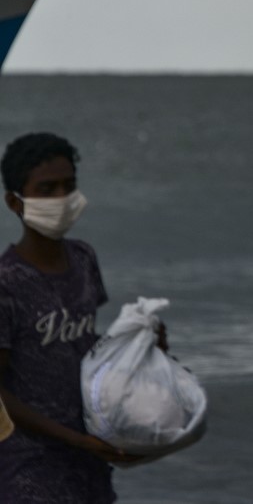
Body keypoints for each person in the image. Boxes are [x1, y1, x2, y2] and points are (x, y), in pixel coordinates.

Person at [0, 132, 134, 503]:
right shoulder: (7, 283)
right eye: (47, 189)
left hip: (89, 460)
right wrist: (70, 437)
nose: (61, 198)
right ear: (15, 202)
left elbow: (83, 344)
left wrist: (139, 347)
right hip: (30, 470)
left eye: (68, 186)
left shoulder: (83, 259)